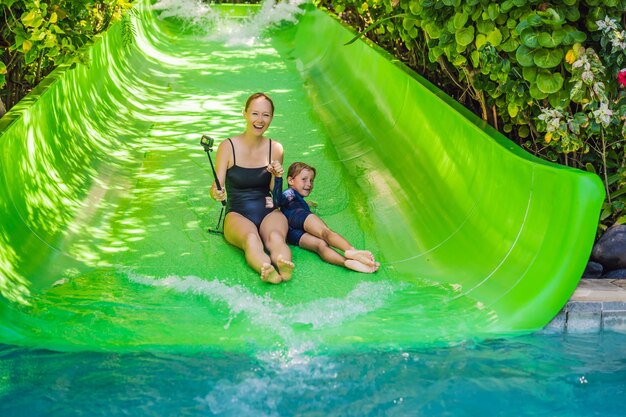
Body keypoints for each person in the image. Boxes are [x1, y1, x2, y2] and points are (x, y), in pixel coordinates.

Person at [210, 92, 294, 284]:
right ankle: (266, 268)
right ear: (245, 114)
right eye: (255, 113)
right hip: (238, 214)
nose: (260, 120)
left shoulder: (276, 148)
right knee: (251, 239)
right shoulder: (228, 147)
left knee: (276, 238)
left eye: (266, 115)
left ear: (272, 117)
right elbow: (217, 186)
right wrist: (216, 192)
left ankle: (284, 264)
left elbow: (275, 192)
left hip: (268, 210)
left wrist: (278, 176)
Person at [268, 161, 379, 273]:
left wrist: (309, 205)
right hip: (298, 215)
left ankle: (346, 262)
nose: (309, 184)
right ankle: (351, 250)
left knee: (320, 245)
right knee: (325, 232)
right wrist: (278, 178)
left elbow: (286, 202)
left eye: (311, 180)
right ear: (291, 180)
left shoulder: (294, 197)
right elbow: (278, 201)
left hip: (291, 233)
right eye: (304, 179)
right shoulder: (290, 193)